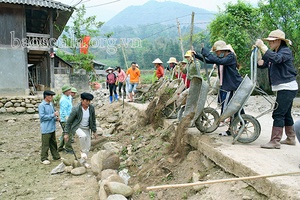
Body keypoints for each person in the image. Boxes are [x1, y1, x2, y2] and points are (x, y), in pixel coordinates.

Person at [255, 29, 298, 149]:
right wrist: (259, 51)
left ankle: (275, 141)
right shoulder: (275, 52)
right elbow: (262, 64)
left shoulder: (285, 52)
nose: (269, 43)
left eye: (271, 41)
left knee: (278, 113)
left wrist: (262, 46)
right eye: (268, 42)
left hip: (287, 87)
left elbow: (277, 59)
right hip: (284, 87)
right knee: (286, 113)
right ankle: (291, 138)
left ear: (278, 41)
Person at [193, 41, 243, 136]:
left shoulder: (230, 57)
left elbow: (219, 61)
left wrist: (207, 53)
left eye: (217, 52)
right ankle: (240, 124)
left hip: (232, 85)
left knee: (229, 107)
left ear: (222, 50)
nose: (216, 54)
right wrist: (197, 55)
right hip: (228, 85)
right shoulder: (223, 58)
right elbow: (208, 61)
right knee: (236, 106)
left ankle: (232, 128)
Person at [63, 92, 98, 168]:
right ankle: (82, 151)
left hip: (87, 128)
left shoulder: (91, 108)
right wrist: (66, 133)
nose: (88, 103)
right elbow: (69, 121)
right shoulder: (76, 109)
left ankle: (83, 161)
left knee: (88, 146)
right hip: (78, 127)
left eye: (89, 101)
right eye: (86, 101)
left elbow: (93, 120)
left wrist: (94, 131)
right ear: (82, 100)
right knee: (82, 136)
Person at [38, 90, 61, 165]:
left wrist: (55, 118)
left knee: (53, 143)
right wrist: (53, 115)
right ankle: (44, 158)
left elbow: (52, 115)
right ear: (46, 96)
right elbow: (42, 117)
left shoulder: (51, 104)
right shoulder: (42, 105)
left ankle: (56, 156)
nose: (51, 97)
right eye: (49, 96)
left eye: (52, 96)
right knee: (45, 144)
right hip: (46, 128)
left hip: (52, 127)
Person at [58, 85, 73, 153]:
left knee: (64, 133)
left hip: (69, 117)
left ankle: (60, 147)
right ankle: (68, 148)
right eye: (69, 90)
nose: (70, 91)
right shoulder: (63, 100)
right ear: (65, 92)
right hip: (65, 119)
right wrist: (67, 119)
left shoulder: (69, 97)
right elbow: (63, 111)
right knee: (68, 133)